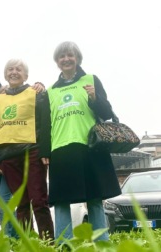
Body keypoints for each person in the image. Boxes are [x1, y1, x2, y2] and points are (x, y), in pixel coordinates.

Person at [47, 41, 121, 241]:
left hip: (90, 147)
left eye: (70, 55)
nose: (66, 59)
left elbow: (106, 113)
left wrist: (95, 98)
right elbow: (46, 124)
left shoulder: (91, 79)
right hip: (60, 150)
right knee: (61, 200)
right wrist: (46, 152)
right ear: (57, 61)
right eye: (62, 56)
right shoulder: (51, 90)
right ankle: (63, 244)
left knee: (94, 198)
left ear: (77, 58)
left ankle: (101, 242)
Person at [0, 59, 54, 240]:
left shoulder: (36, 93)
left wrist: (45, 150)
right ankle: (27, 243)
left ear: (26, 75)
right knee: (21, 204)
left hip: (33, 151)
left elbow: (46, 123)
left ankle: (48, 243)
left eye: (18, 69)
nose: (14, 72)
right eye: (10, 69)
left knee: (39, 201)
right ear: (5, 74)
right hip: (7, 156)